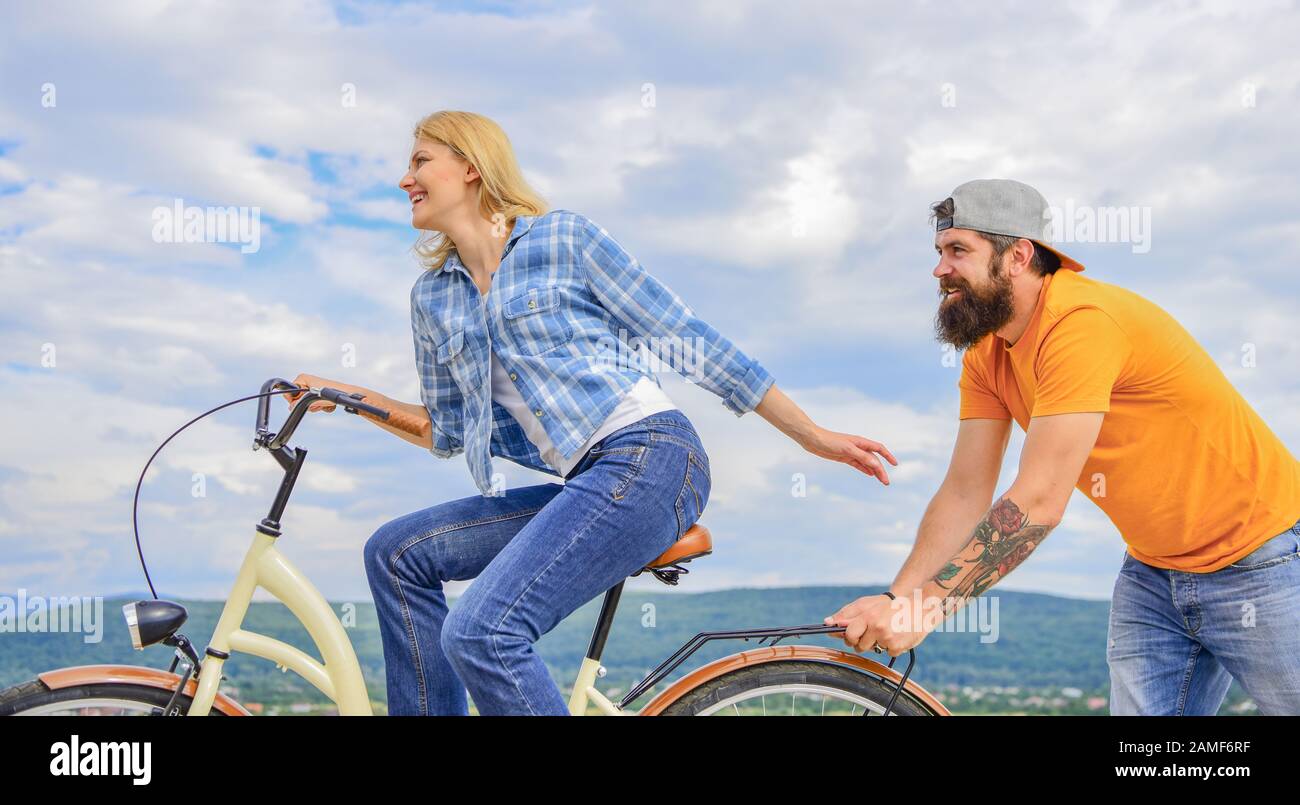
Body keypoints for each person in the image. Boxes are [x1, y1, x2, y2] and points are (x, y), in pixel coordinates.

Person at [290, 110, 898, 715]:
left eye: (420, 160)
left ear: (471, 167)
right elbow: (443, 428)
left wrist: (811, 434)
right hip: (584, 482)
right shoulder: (434, 297)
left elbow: (683, 336)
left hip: (652, 456)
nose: (405, 179)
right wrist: (344, 397)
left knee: (482, 631)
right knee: (398, 552)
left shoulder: (563, 240)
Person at [825, 178, 1300, 715]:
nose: (940, 269)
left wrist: (924, 612)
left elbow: (1040, 500)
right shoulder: (987, 354)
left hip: (1266, 558)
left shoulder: (1080, 324)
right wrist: (898, 598)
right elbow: (964, 491)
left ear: (1018, 256)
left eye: (959, 251)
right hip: (1154, 572)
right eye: (938, 252)